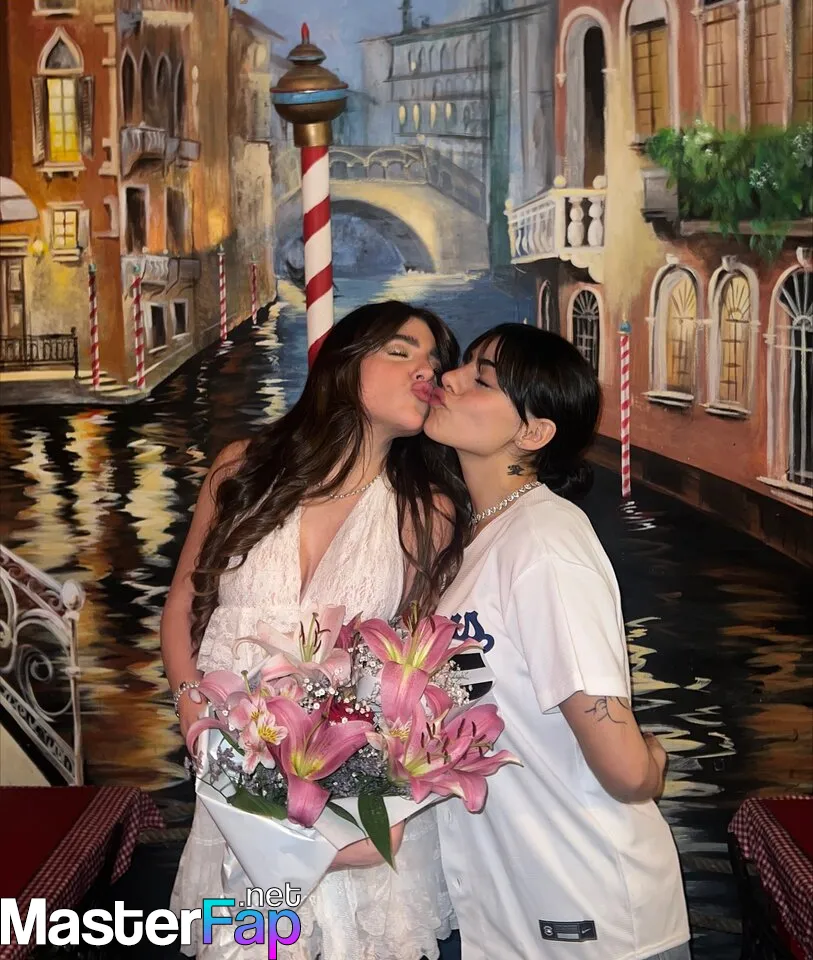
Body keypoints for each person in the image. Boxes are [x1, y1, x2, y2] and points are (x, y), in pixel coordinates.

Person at [162, 300, 468, 960]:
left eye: (435, 361)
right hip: (233, 783)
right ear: (345, 364)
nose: (427, 369)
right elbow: (183, 604)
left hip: (350, 809)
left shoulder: (428, 511)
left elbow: (418, 677)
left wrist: (380, 803)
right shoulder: (242, 467)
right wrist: (195, 721)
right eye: (402, 351)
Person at [425, 324, 692, 960]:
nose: (448, 379)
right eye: (463, 365)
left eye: (481, 379)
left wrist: (653, 761)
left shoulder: (545, 542)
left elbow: (626, 770)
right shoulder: (478, 538)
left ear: (534, 432)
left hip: (589, 911)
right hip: (511, 908)